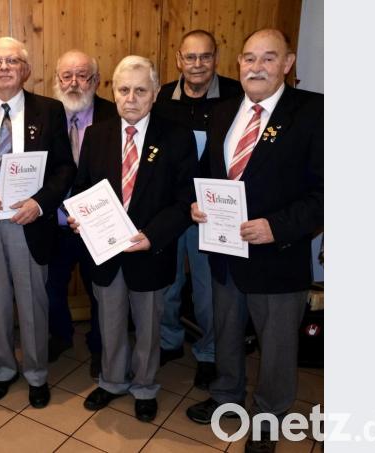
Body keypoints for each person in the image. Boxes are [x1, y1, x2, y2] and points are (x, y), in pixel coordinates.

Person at [184, 29, 323, 453]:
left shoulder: (314, 111)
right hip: (227, 251)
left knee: (277, 345)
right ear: (238, 63)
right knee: (226, 331)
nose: (256, 67)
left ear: (288, 62)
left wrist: (276, 227)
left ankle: (268, 417)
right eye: (248, 58)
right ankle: (227, 395)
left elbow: (327, 192)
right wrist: (198, 204)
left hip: (277, 255)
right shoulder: (224, 112)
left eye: (268, 58)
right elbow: (210, 174)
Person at [68, 55, 196, 423]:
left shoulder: (176, 137)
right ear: (113, 91)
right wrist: (78, 217)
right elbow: (82, 188)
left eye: (141, 90)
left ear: (155, 93)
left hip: (149, 251)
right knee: (109, 322)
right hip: (105, 252)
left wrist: (152, 236)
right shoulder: (98, 134)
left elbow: (183, 200)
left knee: (148, 326)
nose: (131, 98)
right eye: (124, 90)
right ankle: (111, 382)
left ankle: (144, 386)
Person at [0, 37, 76, 408]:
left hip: (28, 222)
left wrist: (40, 204)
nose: (4, 67)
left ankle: (37, 374)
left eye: (12, 61)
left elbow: (64, 168)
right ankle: (4, 369)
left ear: (25, 69)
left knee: (33, 301)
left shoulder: (49, 110)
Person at [152, 29, 242, 389]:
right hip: (172, 210)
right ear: (178, 60)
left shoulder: (235, 95)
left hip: (212, 214)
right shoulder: (162, 98)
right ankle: (169, 341)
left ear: (216, 59)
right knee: (167, 284)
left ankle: (208, 354)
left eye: (205, 57)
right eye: (190, 57)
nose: (197, 64)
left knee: (207, 291)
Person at [46, 49, 117, 375]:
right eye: (66, 76)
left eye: (82, 76)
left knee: (100, 290)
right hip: (56, 224)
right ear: (56, 80)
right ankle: (59, 336)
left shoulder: (115, 116)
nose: (74, 83)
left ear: (96, 80)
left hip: (99, 225)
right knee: (51, 287)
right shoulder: (43, 116)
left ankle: (100, 346)